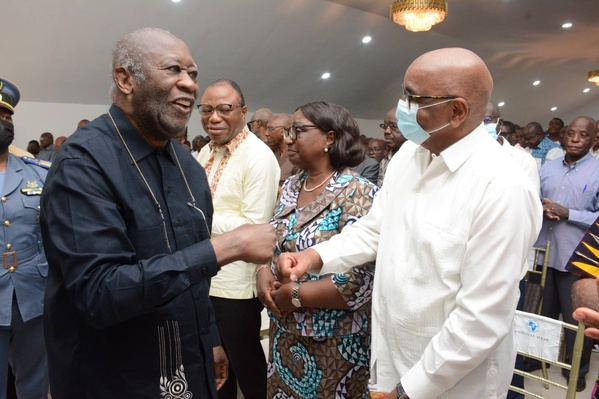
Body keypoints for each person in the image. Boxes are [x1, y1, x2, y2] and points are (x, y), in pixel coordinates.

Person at [278, 48, 542, 399]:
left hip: (449, 382)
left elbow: (482, 319)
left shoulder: (502, 186)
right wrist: (314, 257)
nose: (402, 105)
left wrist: (408, 391)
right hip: (392, 362)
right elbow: (375, 229)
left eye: (413, 97)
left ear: (457, 110)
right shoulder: (409, 156)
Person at [40, 28, 276, 398]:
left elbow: (191, 276)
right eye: (174, 70)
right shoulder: (82, 163)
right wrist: (227, 247)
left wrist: (209, 337)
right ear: (125, 79)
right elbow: (100, 293)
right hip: (117, 376)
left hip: (186, 363)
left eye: (193, 73)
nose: (189, 84)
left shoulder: (188, 166)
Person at [256, 101, 378, 398]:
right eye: (287, 131)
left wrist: (296, 296)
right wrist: (262, 273)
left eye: (298, 130)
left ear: (330, 138)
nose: (288, 138)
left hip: (334, 342)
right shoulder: (292, 186)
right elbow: (274, 243)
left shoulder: (358, 192)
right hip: (285, 332)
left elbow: (360, 281)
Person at [196, 79, 280, 399]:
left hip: (236, 286)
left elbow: (254, 228)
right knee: (217, 368)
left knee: (249, 370)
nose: (213, 117)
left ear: (243, 112)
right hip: (204, 275)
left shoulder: (257, 156)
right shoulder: (206, 151)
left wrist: (198, 219)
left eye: (224, 109)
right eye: (206, 110)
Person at [526, 116, 599, 392]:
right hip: (544, 252)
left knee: (575, 317)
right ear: (564, 135)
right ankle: (538, 357)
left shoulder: (597, 170)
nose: (575, 139)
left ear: (594, 139)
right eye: (571, 133)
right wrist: (542, 209)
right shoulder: (548, 167)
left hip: (577, 257)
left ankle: (577, 368)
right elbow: (534, 199)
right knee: (542, 312)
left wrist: (569, 213)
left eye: (583, 135)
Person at [0, 77, 50, 399]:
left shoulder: (39, 173)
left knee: (32, 384)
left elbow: (53, 236)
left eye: (5, 117)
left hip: (32, 298)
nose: (2, 124)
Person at [377, 107, 406, 187]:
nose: (386, 131)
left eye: (393, 126)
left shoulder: (417, 158)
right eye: (385, 126)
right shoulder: (385, 159)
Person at [264, 113, 295, 186]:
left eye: (271, 129)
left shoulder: (296, 156)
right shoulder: (269, 152)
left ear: (283, 131)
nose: (266, 133)